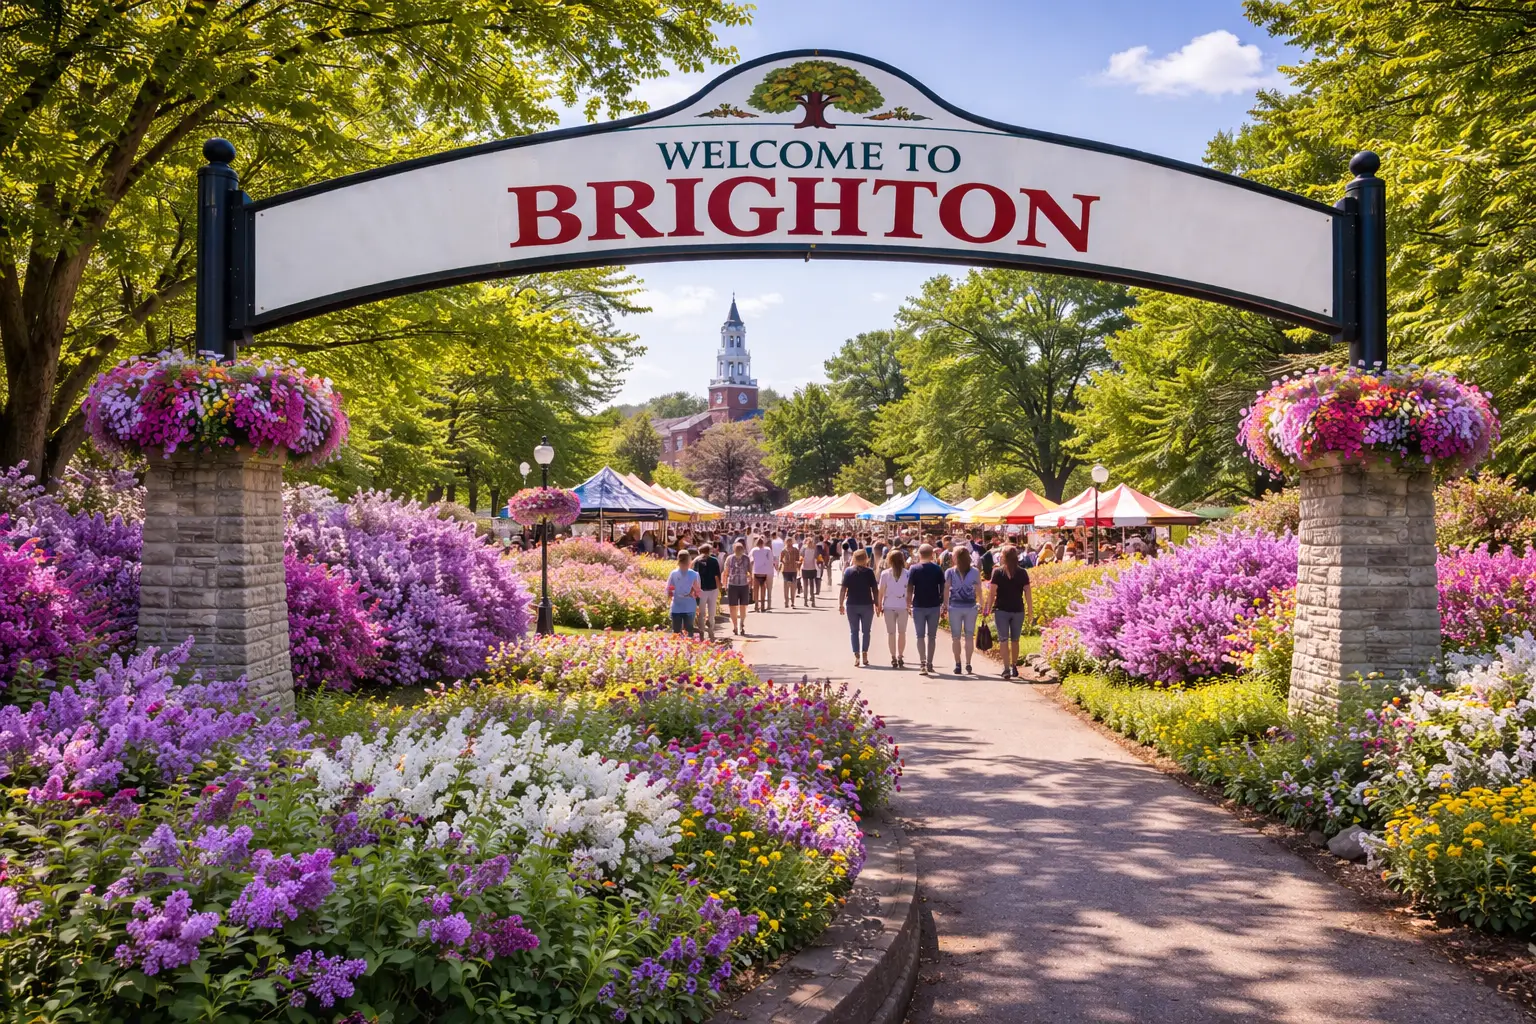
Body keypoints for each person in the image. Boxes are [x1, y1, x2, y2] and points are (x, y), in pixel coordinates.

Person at [982, 544, 1034, 679]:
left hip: (1001, 610)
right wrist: (1030, 611)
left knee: (1003, 640)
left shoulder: (998, 572)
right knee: (1015, 640)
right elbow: (1028, 593)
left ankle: (1006, 668)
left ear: (1003, 557)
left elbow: (992, 593)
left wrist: (987, 609)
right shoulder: (1022, 572)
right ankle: (1014, 666)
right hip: (1018, 610)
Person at [942, 545, 981, 675]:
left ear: (955, 558)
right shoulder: (975, 572)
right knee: (969, 636)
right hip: (971, 607)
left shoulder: (950, 572)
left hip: (955, 607)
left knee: (956, 637)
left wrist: (945, 604)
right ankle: (968, 663)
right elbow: (979, 589)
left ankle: (958, 664)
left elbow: (946, 589)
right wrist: (981, 603)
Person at [908, 543, 945, 676]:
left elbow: (910, 588)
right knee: (932, 636)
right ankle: (930, 662)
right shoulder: (937, 569)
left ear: (919, 554)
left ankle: (922, 662)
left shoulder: (914, 569)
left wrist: (908, 603)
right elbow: (942, 588)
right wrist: (942, 602)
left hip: (918, 605)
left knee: (920, 636)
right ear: (932, 555)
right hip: (934, 605)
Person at [839, 549, 879, 668]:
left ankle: (856, 655)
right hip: (867, 605)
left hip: (852, 604)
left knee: (854, 631)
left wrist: (841, 604)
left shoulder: (848, 571)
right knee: (866, 631)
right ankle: (865, 653)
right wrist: (877, 603)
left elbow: (843, 589)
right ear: (866, 558)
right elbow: (874, 589)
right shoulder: (869, 572)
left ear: (854, 558)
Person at [878, 550, 912, 669]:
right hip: (903, 605)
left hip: (889, 605)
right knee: (902, 633)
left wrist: (879, 605)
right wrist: (910, 605)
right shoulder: (907, 573)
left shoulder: (885, 574)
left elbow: (881, 591)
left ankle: (893, 656)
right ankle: (900, 656)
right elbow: (910, 591)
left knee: (891, 633)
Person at [666, 551, 702, 637]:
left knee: (676, 631)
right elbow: (698, 591)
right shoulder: (694, 574)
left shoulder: (673, 573)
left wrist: (672, 597)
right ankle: (690, 645)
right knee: (689, 630)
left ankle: (677, 645)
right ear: (689, 560)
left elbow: (670, 590)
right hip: (689, 605)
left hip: (676, 605)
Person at [694, 542, 722, 641]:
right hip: (713, 589)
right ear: (709, 551)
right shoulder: (714, 561)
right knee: (712, 611)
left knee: (701, 612)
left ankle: (701, 632)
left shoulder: (697, 561)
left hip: (701, 590)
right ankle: (711, 631)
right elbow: (716, 576)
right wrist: (719, 587)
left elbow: (695, 577)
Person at [724, 540, 753, 636]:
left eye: (740, 549)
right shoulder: (730, 558)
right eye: (737, 548)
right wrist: (725, 584)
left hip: (744, 585)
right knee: (733, 606)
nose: (739, 550)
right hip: (732, 585)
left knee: (743, 606)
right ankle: (735, 626)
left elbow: (750, 571)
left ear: (743, 549)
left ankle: (741, 623)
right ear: (734, 549)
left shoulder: (746, 558)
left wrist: (750, 582)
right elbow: (726, 572)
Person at [749, 536, 775, 613]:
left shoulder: (754, 550)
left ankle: (756, 605)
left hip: (756, 571)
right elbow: (771, 560)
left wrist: (751, 570)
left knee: (756, 589)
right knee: (763, 588)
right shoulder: (768, 549)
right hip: (764, 571)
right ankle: (763, 606)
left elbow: (751, 560)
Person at [780, 536, 802, 609]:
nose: (789, 543)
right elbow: (781, 560)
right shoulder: (784, 550)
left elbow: (798, 559)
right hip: (786, 570)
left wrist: (797, 564)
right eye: (788, 541)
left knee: (793, 586)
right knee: (786, 586)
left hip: (793, 570)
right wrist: (784, 563)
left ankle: (792, 601)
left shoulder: (795, 550)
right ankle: (786, 601)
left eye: (790, 541)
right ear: (786, 542)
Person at [801, 535, 821, 607]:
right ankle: (813, 601)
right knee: (812, 585)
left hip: (805, 568)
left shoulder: (804, 549)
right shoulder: (815, 549)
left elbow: (801, 556)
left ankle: (805, 601)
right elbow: (817, 557)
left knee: (805, 585)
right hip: (812, 568)